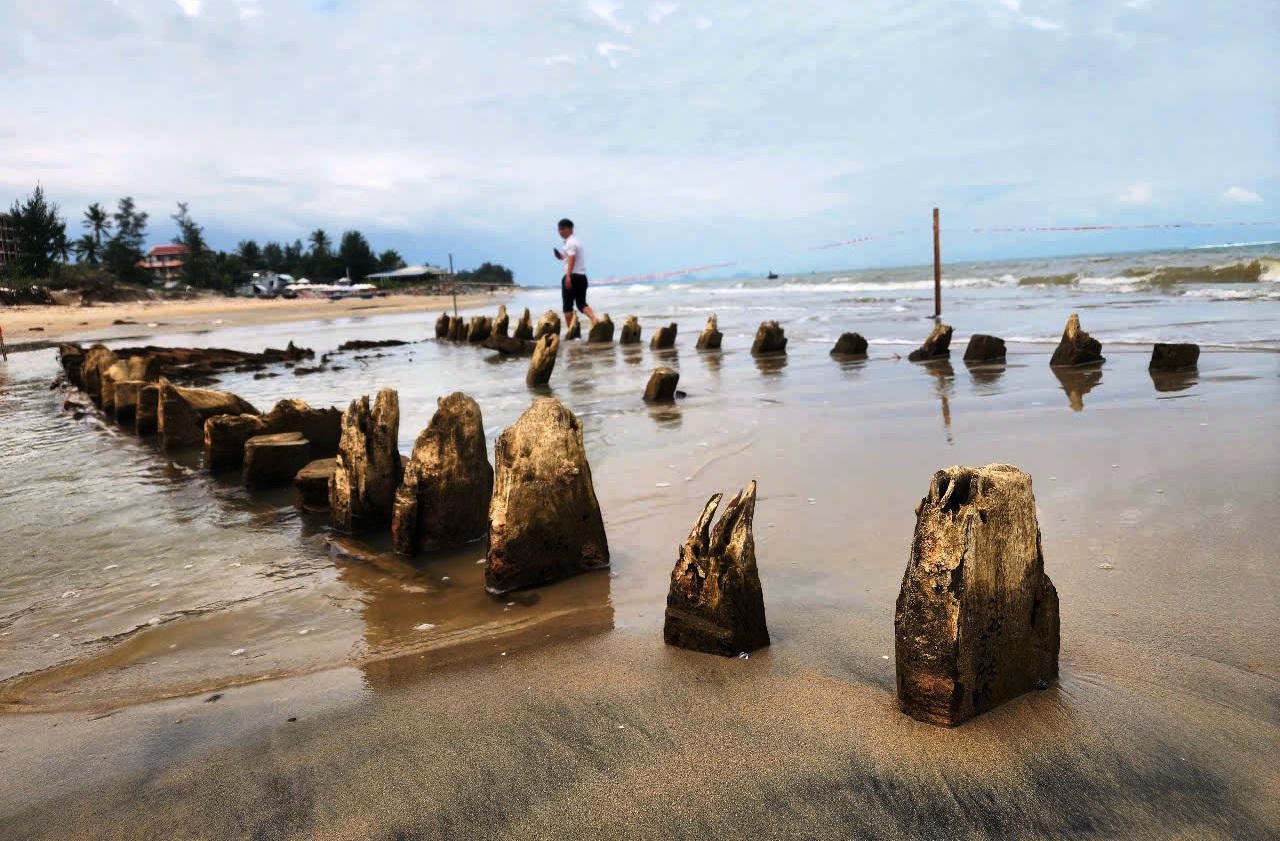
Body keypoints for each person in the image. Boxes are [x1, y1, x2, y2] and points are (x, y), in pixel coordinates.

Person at [554, 218, 597, 334]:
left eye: (562, 229)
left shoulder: (570, 243)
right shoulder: (576, 242)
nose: (560, 232)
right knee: (581, 304)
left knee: (567, 307)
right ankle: (595, 320)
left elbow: (572, 258)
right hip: (582, 277)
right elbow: (568, 256)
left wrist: (568, 276)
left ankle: (573, 334)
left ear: (569, 229)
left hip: (572, 277)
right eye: (559, 230)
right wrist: (561, 257)